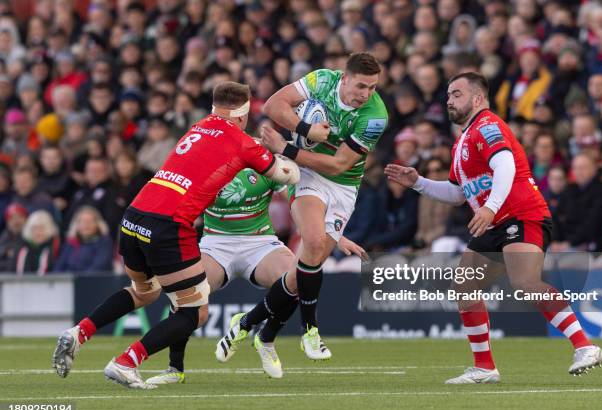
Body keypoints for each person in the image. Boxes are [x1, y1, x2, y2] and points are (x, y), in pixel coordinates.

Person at [52, 81, 300, 389]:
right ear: (243, 115)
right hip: (169, 225)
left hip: (134, 217)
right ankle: (126, 362)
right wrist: (284, 151)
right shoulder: (241, 140)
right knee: (194, 311)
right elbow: (288, 175)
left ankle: (79, 332)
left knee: (144, 291)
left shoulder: (198, 127)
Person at [384, 72, 602, 384]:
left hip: (521, 214)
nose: (449, 99)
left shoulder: (488, 124)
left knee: (525, 282)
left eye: (457, 93)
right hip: (494, 221)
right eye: (448, 94)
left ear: (477, 98)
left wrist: (489, 207)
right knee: (464, 286)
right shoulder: (462, 140)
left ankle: (585, 346)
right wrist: (418, 182)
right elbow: (458, 193)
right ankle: (485, 367)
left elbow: (506, 165)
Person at [219, 52, 388, 361]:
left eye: (373, 88)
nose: (366, 94)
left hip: (344, 186)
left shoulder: (375, 116)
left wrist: (286, 148)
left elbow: (338, 166)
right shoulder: (322, 80)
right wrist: (306, 129)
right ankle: (310, 330)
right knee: (311, 242)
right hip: (308, 174)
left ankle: (252, 327)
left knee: (304, 271)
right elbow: (273, 105)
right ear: (344, 77)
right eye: (361, 86)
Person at [145, 167, 365, 383]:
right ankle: (175, 368)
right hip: (216, 243)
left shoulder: (264, 160)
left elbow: (297, 202)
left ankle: (266, 338)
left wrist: (332, 234)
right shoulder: (203, 163)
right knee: (188, 294)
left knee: (298, 277)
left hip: (260, 242)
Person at [53, 206, 114, 273]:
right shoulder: (70, 243)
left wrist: (78, 280)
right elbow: (58, 268)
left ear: (97, 224)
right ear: (77, 225)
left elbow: (99, 267)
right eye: (83, 222)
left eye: (90, 221)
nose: (86, 225)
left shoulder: (104, 242)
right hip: (68, 281)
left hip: (93, 281)